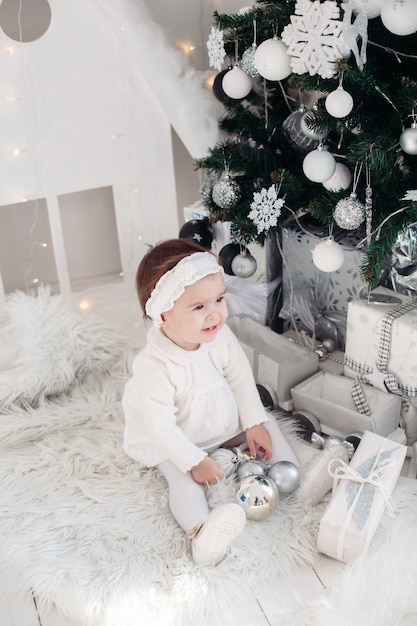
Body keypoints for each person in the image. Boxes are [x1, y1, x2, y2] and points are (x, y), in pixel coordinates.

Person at [122, 238, 298, 567]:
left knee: (267, 424)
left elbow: (240, 378)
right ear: (162, 315)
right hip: (175, 441)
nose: (215, 313)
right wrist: (194, 461)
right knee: (183, 480)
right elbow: (161, 427)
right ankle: (202, 534)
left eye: (219, 299)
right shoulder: (154, 366)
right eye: (199, 307)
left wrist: (253, 422)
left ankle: (290, 477)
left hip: (218, 421)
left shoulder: (219, 336)